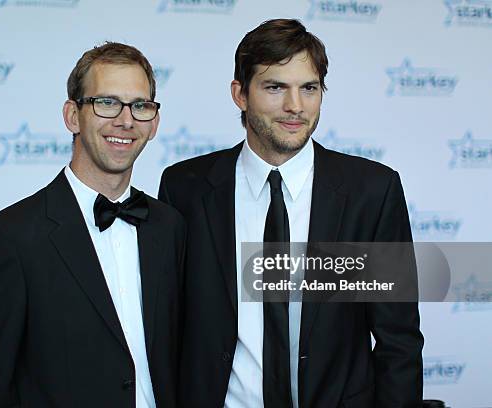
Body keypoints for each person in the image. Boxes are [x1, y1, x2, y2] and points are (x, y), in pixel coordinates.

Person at [158, 19, 423, 408]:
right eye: (275, 87)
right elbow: (168, 327)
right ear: (240, 95)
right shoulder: (186, 188)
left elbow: (397, 340)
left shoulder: (371, 192)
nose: (295, 106)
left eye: (309, 88)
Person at [0, 42, 185, 408]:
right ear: (72, 116)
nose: (125, 120)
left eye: (140, 106)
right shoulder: (11, 237)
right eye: (107, 103)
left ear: (154, 122)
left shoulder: (170, 225)